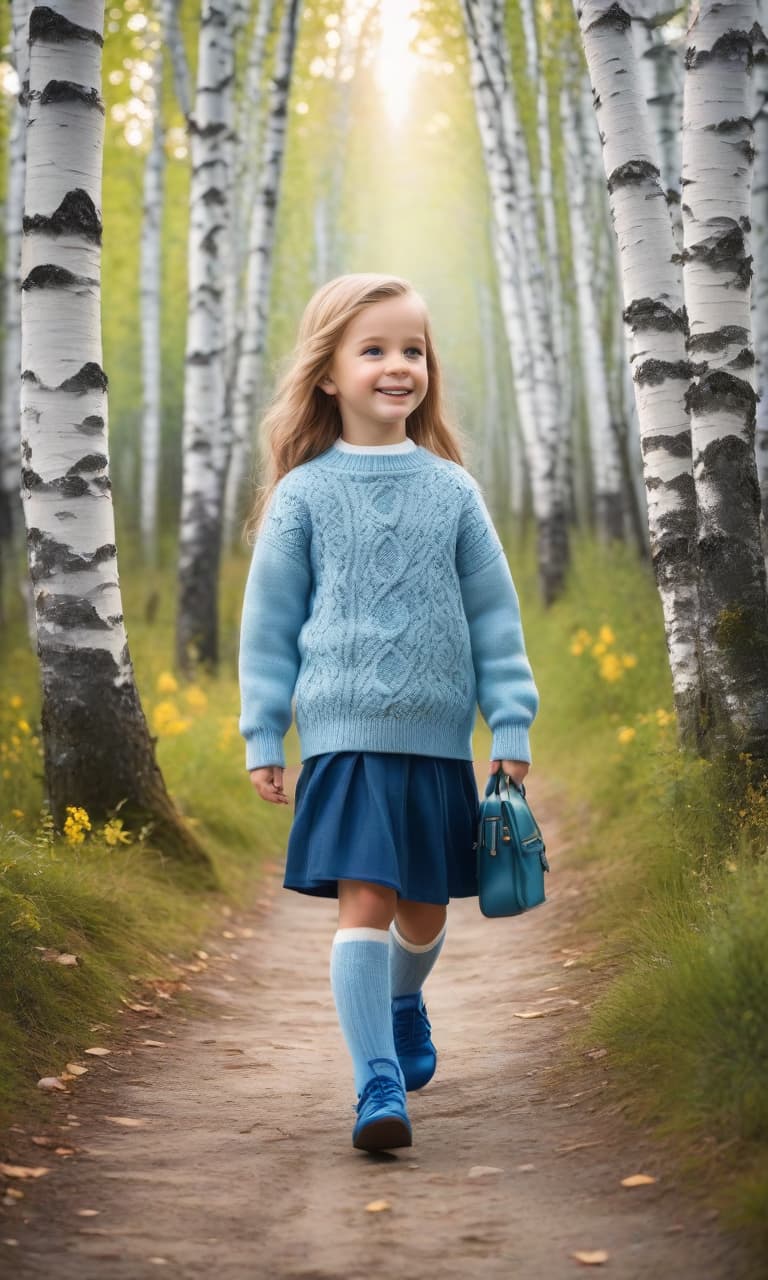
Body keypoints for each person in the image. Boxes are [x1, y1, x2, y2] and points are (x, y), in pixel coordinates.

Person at [238, 273, 539, 1154]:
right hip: (341, 734)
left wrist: (510, 724)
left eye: (413, 349)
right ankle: (375, 1084)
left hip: (439, 740)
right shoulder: (302, 494)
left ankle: (404, 1001)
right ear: (328, 373)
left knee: (425, 913)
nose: (398, 366)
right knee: (364, 900)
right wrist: (266, 733)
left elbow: (495, 618)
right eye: (374, 350)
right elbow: (269, 629)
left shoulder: (453, 491)